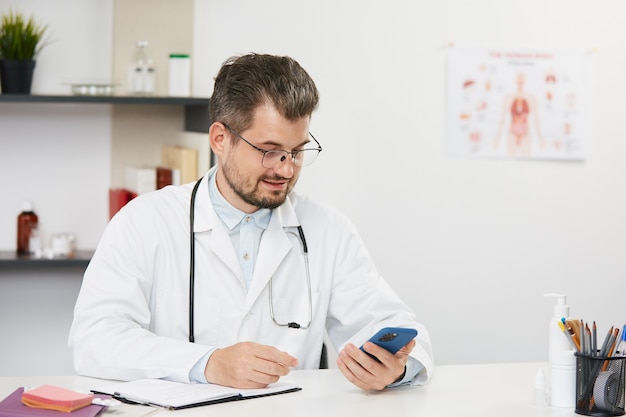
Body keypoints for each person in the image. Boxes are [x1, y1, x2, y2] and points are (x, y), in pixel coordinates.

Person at [69, 53, 433, 391]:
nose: (286, 168)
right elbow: (95, 338)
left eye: (297, 151)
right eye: (269, 151)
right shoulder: (145, 221)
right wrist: (207, 362)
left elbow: (393, 325)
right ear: (220, 139)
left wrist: (396, 368)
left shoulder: (328, 231)